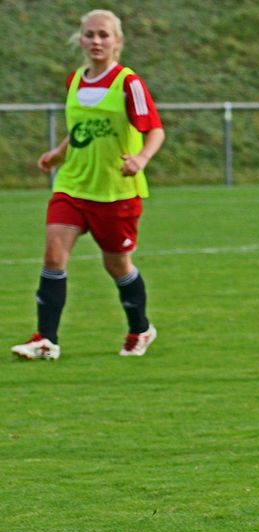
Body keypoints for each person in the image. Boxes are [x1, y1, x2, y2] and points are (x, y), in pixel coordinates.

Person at [11, 9, 164, 361]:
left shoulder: (128, 83)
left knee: (117, 265)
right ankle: (45, 340)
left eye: (104, 35)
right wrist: (58, 154)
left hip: (114, 192)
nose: (96, 41)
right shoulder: (75, 80)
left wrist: (141, 159)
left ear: (118, 41)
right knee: (54, 255)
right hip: (73, 185)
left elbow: (155, 129)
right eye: (90, 34)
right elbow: (81, 131)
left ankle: (140, 329)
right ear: (80, 40)